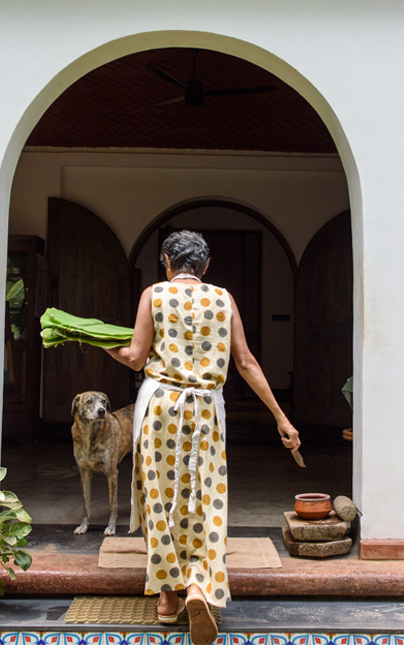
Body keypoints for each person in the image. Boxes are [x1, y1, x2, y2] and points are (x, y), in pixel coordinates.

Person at [104, 230, 300, 645]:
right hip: (206, 409)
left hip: (159, 406)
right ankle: (199, 586)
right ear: (206, 267)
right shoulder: (223, 299)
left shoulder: (153, 295)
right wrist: (281, 417)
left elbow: (136, 357)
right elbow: (245, 362)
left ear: (166, 261)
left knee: (160, 497)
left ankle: (166, 599)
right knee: (204, 497)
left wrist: (99, 340)